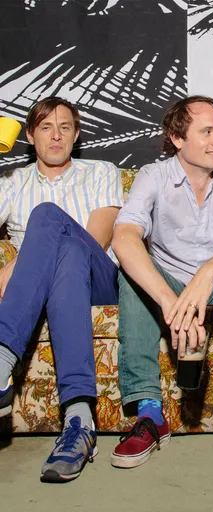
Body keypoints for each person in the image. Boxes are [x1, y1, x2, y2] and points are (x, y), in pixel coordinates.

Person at [110, 95, 213, 469]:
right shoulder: (153, 176)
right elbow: (123, 237)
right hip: (168, 283)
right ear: (177, 138)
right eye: (207, 132)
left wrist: (210, 270)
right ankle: (149, 414)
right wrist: (170, 303)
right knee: (130, 270)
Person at [0, 97, 123, 482]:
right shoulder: (12, 183)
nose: (56, 136)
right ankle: (80, 421)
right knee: (66, 255)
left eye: (65, 127)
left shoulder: (101, 171)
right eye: (46, 127)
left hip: (100, 282)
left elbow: (98, 239)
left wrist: (20, 263)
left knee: (55, 224)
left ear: (76, 134)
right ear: (30, 136)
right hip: (48, 287)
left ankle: (0, 362)